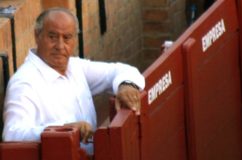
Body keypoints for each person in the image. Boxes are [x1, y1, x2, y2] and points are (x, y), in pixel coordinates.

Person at [2, 7, 145, 154]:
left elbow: (120, 70)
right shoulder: (24, 83)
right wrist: (63, 130)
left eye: (67, 38)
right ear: (37, 36)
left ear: (75, 40)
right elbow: (12, 134)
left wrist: (126, 85)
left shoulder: (75, 66)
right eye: (52, 37)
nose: (60, 46)